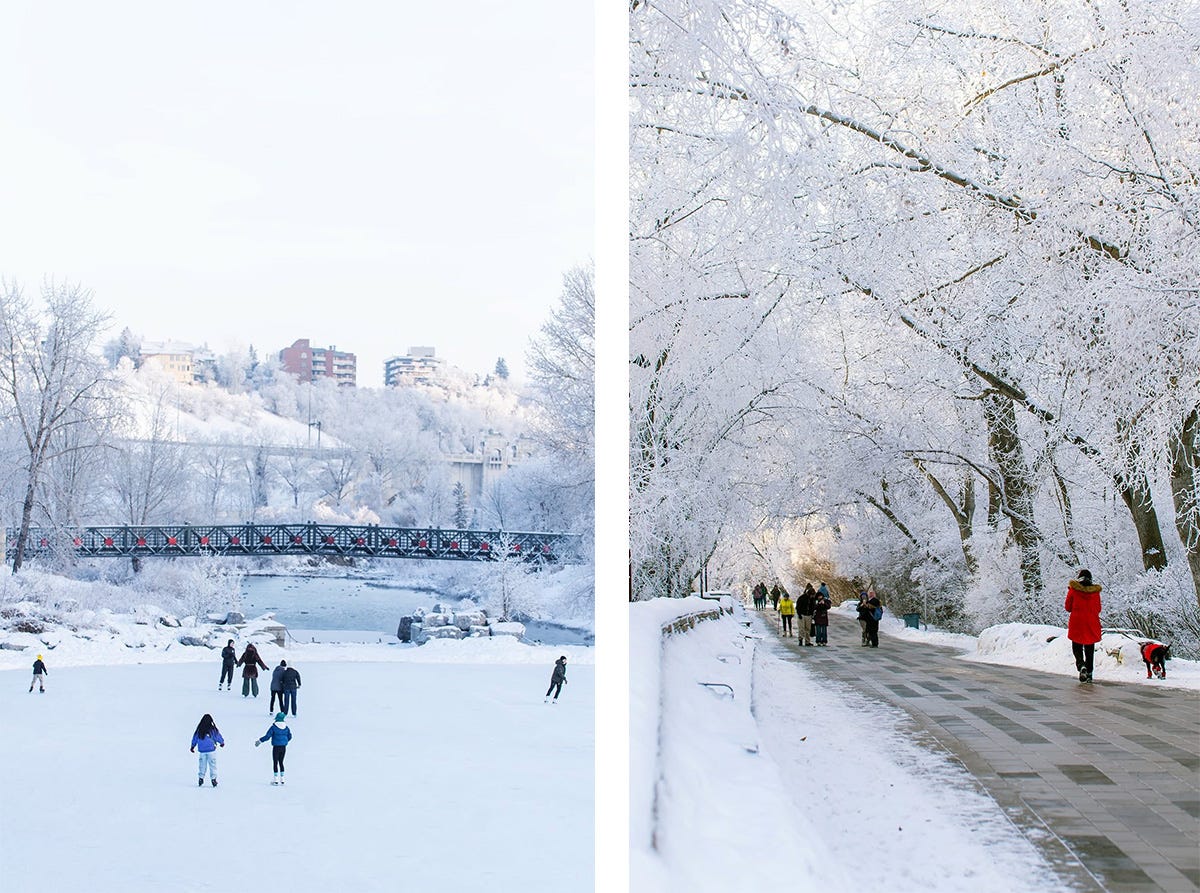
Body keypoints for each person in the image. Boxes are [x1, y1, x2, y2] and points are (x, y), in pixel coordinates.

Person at [1065, 569, 1102, 683]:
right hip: (1091, 622)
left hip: (1077, 622)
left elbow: (1067, 607)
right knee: (1089, 648)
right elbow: (1098, 609)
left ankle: (1081, 665)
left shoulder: (1073, 590)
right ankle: (1090, 673)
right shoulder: (1095, 592)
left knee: (1077, 646)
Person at [256, 712, 293, 785]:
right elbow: (290, 736)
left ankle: (275, 779)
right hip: (283, 747)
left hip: (276, 747)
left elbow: (267, 736)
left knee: (275, 762)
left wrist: (260, 740)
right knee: (281, 762)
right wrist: (284, 741)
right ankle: (282, 779)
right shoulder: (286, 727)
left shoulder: (273, 727)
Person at [190, 713, 225, 787]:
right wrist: (222, 742)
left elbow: (195, 738)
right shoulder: (212, 729)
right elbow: (217, 736)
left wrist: (192, 746)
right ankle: (213, 779)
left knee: (202, 765)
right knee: (213, 765)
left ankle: (201, 778)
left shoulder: (199, 730)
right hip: (211, 750)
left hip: (202, 751)